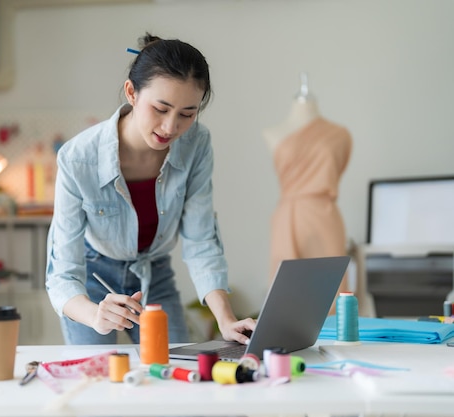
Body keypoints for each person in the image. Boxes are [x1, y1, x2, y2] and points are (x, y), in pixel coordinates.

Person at [45, 33, 256, 345]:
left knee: (175, 377)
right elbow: (62, 274)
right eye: (161, 108)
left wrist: (225, 319)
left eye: (187, 114)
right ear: (132, 92)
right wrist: (94, 315)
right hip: (92, 280)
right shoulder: (79, 159)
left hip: (154, 275)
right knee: (96, 380)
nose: (171, 127)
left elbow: (201, 241)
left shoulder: (196, 144)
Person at [262, 74, 352, 311]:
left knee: (331, 291)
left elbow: (337, 169)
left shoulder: (340, 135)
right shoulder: (272, 132)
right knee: (285, 292)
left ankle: (336, 343)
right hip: (287, 217)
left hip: (324, 216)